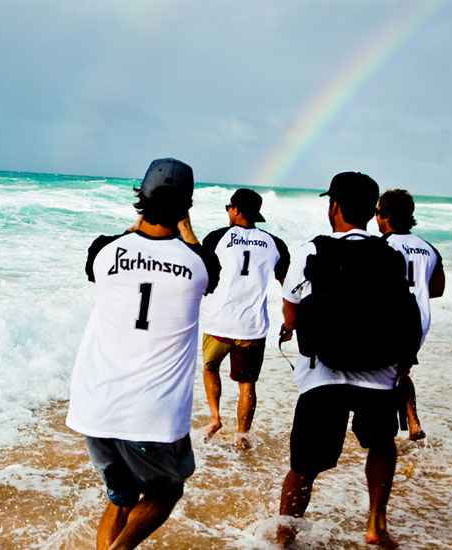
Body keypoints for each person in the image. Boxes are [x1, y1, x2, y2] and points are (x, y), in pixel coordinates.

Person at [66, 158, 219, 550]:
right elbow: (208, 267)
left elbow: (120, 246)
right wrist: (186, 227)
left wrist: (139, 221)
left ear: (141, 197)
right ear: (186, 206)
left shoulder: (104, 252)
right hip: (153, 414)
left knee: (120, 498)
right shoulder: (199, 264)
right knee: (166, 493)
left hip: (96, 407)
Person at [276, 172, 409, 549]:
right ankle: (376, 525)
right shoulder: (391, 253)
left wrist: (292, 326)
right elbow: (402, 311)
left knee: (304, 464)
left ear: (334, 206)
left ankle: (284, 537)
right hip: (378, 371)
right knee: (381, 443)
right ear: (372, 210)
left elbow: (291, 308)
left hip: (323, 373)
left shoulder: (311, 250)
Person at [199, 188, 289, 448]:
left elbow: (202, 277)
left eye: (228, 207)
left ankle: (215, 418)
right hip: (252, 327)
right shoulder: (275, 243)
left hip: (218, 322)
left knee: (210, 368)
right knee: (247, 384)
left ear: (236, 209)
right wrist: (290, 322)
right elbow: (287, 287)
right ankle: (242, 437)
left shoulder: (216, 238)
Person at [376, 189, 445, 441]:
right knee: (401, 370)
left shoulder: (381, 246)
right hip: (420, 320)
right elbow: (437, 289)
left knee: (381, 373)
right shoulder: (428, 248)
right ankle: (413, 422)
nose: (375, 217)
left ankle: (386, 430)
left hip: (393, 317)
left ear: (386, 215)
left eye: (377, 211)